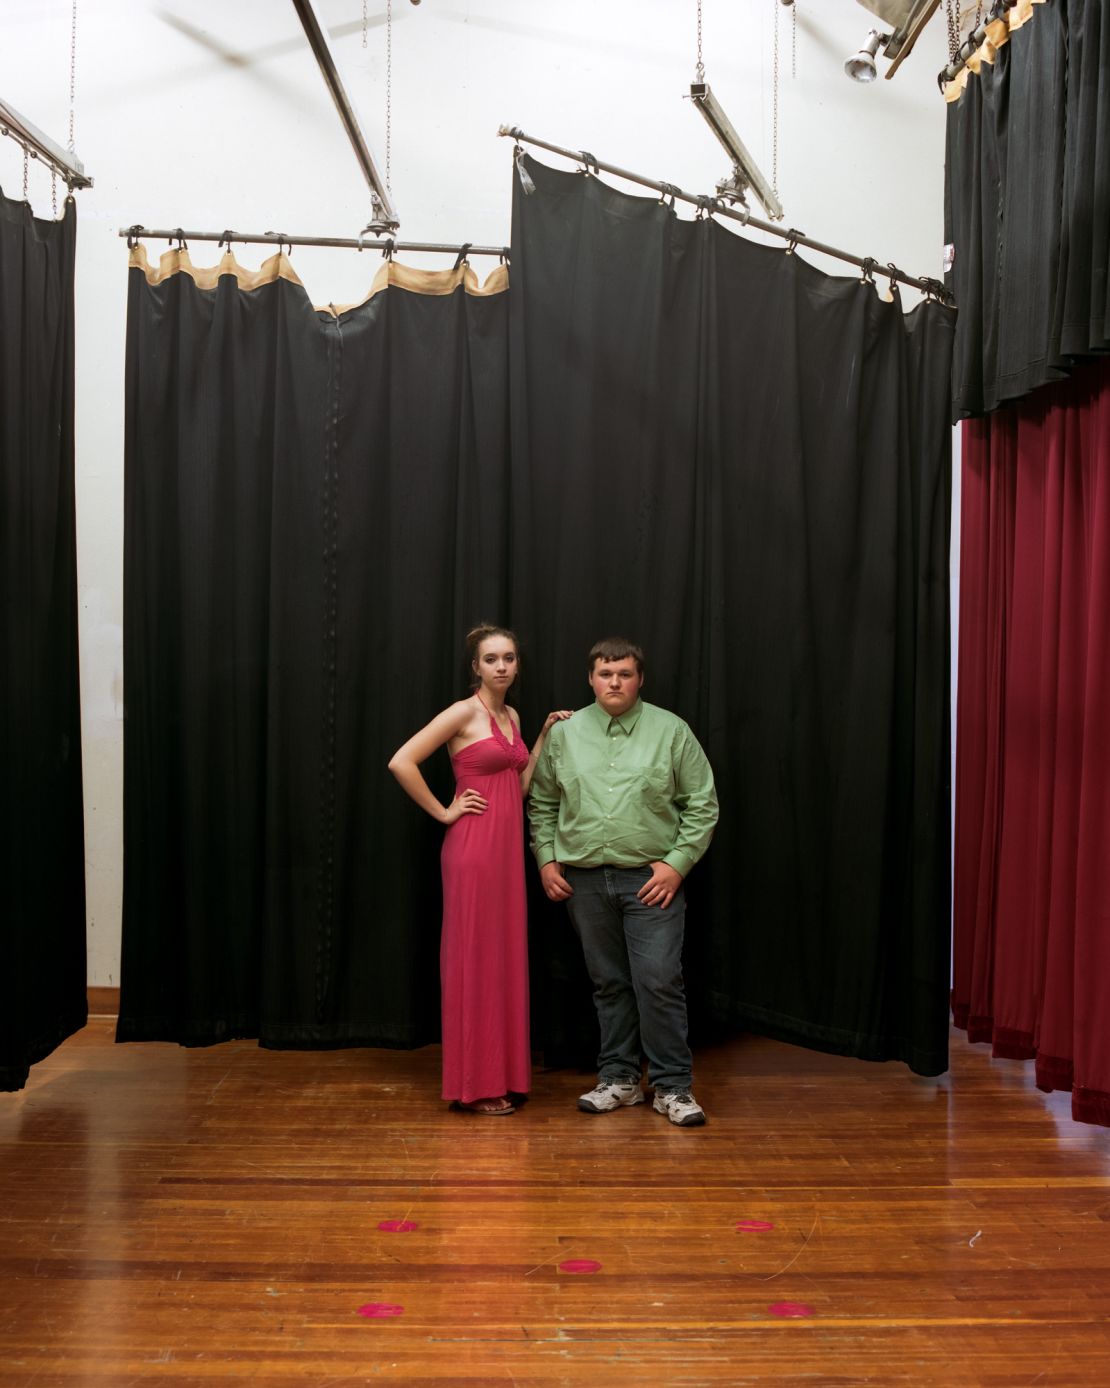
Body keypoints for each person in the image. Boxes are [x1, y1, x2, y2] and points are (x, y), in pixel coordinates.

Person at [528, 637, 718, 1126]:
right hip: (584, 883)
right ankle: (619, 1079)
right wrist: (547, 859)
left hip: (650, 879)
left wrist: (676, 864)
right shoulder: (566, 735)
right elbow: (544, 802)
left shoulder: (671, 730)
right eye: (605, 674)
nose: (615, 682)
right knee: (608, 983)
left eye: (625, 674)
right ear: (590, 679)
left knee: (658, 981)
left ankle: (673, 1087)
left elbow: (702, 803)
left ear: (640, 679)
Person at [388, 625, 571, 1116]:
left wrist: (543, 736)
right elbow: (401, 761)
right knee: (476, 962)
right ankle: (475, 1085)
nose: (502, 667)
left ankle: (503, 1075)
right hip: (472, 850)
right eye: (491, 659)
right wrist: (444, 811)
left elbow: (522, 784)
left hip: (506, 854)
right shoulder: (463, 712)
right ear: (476, 667)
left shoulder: (510, 714)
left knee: (502, 958)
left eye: (509, 657)